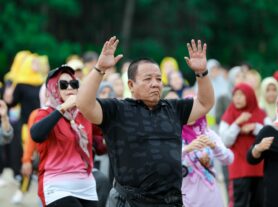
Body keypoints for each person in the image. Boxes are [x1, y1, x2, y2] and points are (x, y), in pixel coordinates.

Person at [76, 36, 214, 207]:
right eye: (148, 79)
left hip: (171, 201)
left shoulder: (173, 108)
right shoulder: (117, 110)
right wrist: (99, 69)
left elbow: (205, 103)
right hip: (130, 202)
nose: (155, 84)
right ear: (131, 85)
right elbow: (83, 104)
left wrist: (202, 73)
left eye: (158, 79)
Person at [30, 66, 98, 207]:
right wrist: (62, 108)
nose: (69, 88)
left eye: (73, 84)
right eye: (63, 84)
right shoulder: (46, 113)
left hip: (86, 183)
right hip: (57, 184)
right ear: (53, 88)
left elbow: (100, 143)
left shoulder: (84, 113)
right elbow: (36, 135)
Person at [219, 83, 271, 207]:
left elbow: (270, 135)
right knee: (239, 203)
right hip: (239, 169)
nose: (237, 98)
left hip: (260, 168)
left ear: (250, 96)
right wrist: (237, 123)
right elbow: (225, 141)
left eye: (241, 95)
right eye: (235, 95)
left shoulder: (261, 113)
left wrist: (255, 127)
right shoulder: (229, 114)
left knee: (260, 203)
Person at [181, 114, 233, 207]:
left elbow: (229, 159)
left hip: (211, 196)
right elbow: (167, 163)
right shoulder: (175, 136)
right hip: (187, 198)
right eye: (187, 110)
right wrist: (187, 149)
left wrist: (214, 147)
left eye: (195, 109)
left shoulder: (207, 133)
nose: (191, 113)